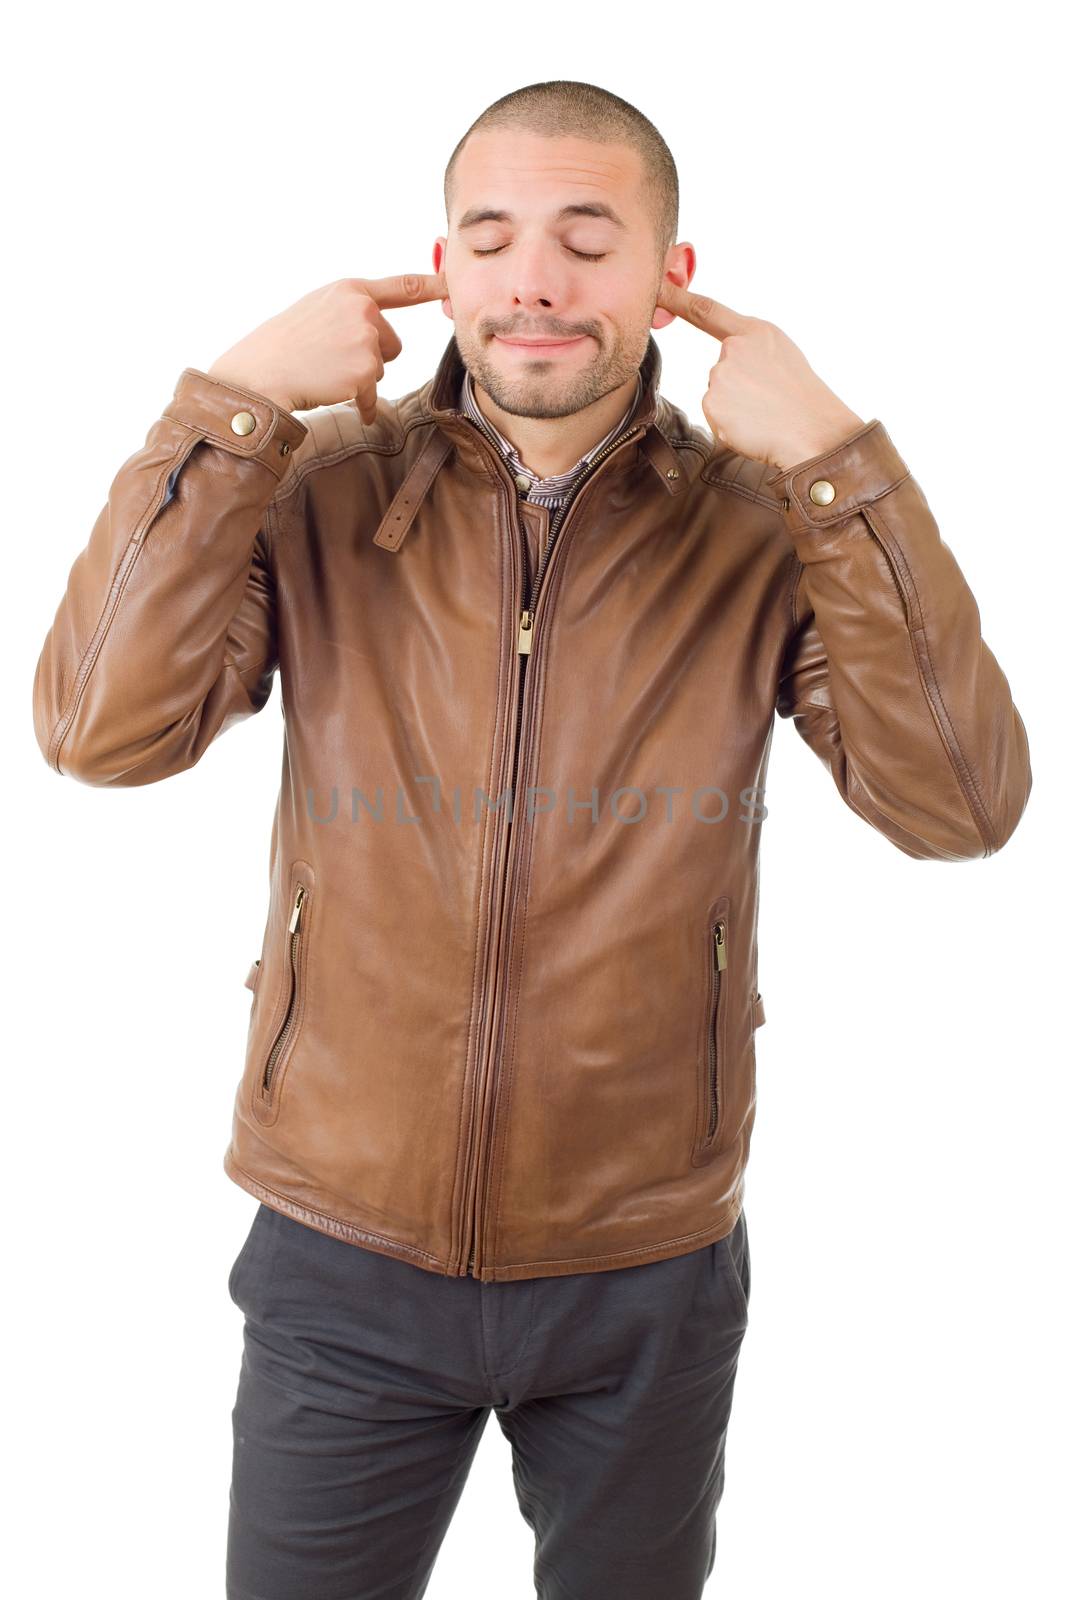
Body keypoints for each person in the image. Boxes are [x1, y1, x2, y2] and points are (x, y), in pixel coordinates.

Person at [31, 78, 1032, 1600]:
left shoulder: (768, 527)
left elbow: (958, 804)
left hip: (645, 1264)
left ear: (671, 279)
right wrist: (223, 408)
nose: (536, 279)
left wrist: (838, 462)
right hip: (339, 1253)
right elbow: (99, 732)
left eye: (588, 235)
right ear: (441, 266)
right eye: (491, 236)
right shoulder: (313, 491)